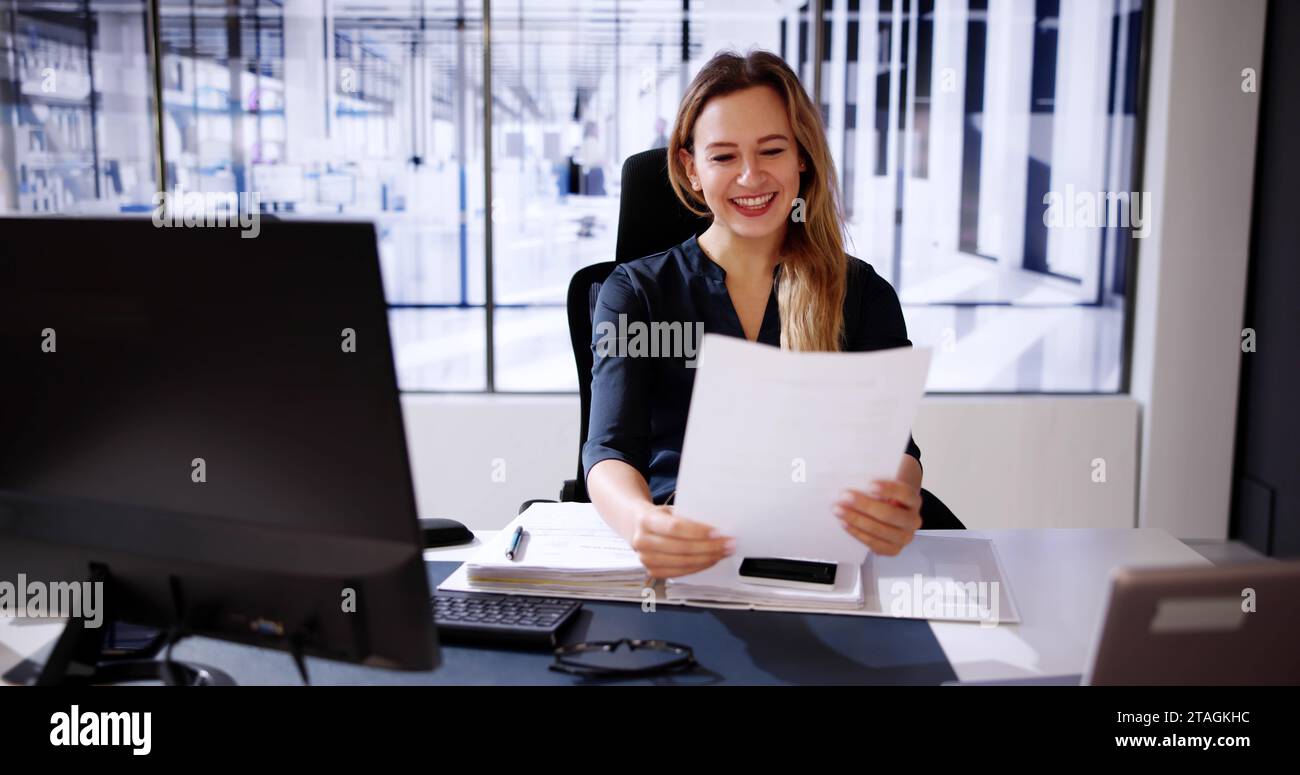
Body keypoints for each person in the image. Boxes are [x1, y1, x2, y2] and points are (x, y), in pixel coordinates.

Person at [583, 49, 932, 579]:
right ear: (690, 168)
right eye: (723, 157)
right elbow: (609, 450)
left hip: (821, 548)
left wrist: (897, 499)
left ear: (802, 158)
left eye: (771, 150)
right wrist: (640, 523)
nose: (750, 176)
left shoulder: (862, 293)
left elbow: (896, 451)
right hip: (686, 546)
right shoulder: (635, 294)